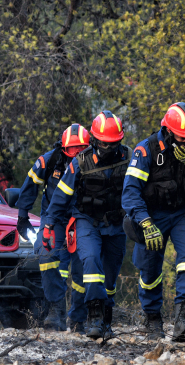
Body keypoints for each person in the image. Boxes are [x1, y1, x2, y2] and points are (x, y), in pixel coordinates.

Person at [122, 102, 185, 341]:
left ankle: (182, 318)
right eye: (181, 137)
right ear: (167, 130)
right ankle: (152, 318)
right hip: (151, 216)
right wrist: (144, 222)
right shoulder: (146, 150)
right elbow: (130, 192)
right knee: (149, 268)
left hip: (183, 213)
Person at [46, 111, 131, 339]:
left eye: (112, 143)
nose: (107, 147)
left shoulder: (129, 159)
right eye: (103, 142)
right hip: (86, 222)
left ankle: (106, 318)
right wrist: (48, 224)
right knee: (91, 263)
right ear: (94, 139)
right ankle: (93, 316)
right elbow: (61, 196)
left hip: (115, 225)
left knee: (110, 277)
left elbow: (139, 192)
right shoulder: (79, 162)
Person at [16, 125, 90, 331]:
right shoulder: (49, 161)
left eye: (81, 148)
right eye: (72, 149)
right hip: (53, 219)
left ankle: (78, 316)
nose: (76, 154)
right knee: (46, 256)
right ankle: (56, 309)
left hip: (81, 218)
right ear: (63, 148)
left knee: (82, 267)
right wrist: (22, 216)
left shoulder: (94, 162)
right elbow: (30, 185)